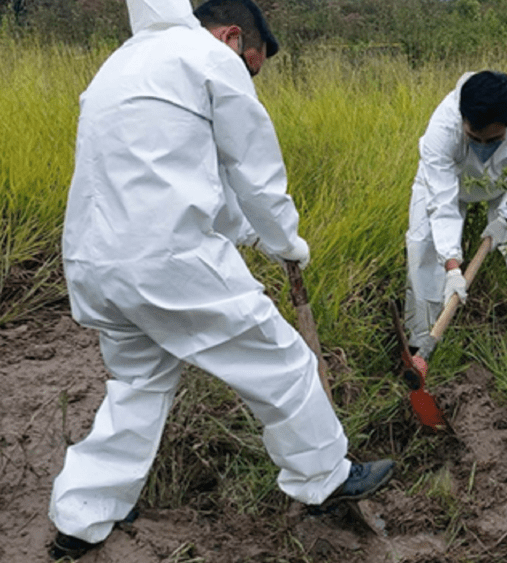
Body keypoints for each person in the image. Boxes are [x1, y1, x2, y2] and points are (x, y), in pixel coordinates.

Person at [49, 0, 394, 559]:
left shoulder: (120, 64)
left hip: (95, 263)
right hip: (165, 262)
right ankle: (325, 478)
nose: (250, 74)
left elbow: (182, 175)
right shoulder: (208, 56)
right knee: (282, 362)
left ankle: (82, 514)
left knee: (137, 387)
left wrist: (252, 236)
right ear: (233, 38)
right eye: (253, 64)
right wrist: (286, 242)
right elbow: (254, 171)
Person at [404, 70, 507, 371]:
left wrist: (505, 219)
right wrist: (452, 266)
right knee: (423, 247)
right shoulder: (443, 127)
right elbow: (442, 202)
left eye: (493, 139)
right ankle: (421, 342)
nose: (482, 144)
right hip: (448, 183)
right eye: (474, 138)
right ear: (462, 120)